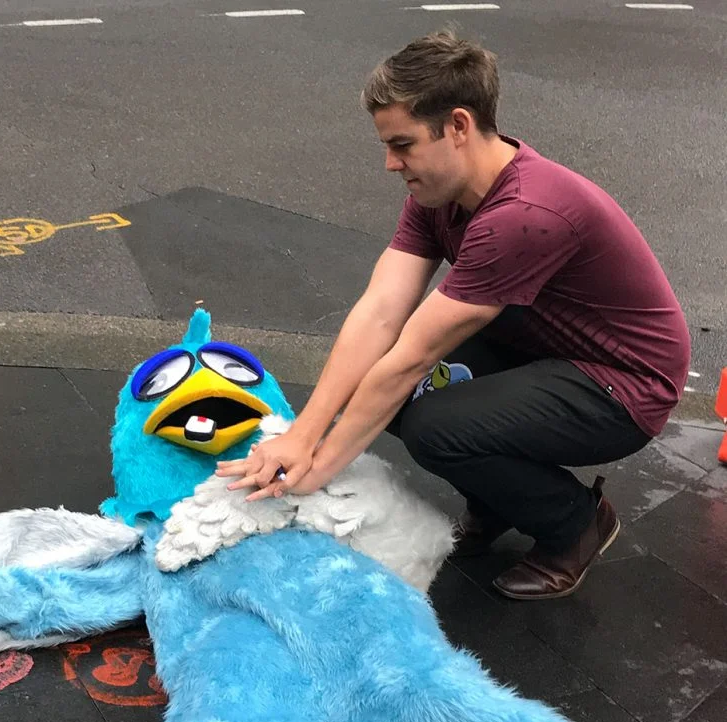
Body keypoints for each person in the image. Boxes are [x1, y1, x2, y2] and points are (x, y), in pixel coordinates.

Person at [216, 30, 691, 600]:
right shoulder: (436, 195)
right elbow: (380, 314)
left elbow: (409, 357)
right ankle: (497, 505)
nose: (392, 164)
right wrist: (303, 434)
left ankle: (575, 525)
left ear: (458, 127)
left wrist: (314, 468)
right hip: (540, 350)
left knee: (430, 422)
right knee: (397, 394)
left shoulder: (523, 213)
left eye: (403, 144)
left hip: (621, 387)